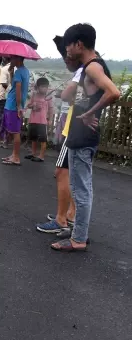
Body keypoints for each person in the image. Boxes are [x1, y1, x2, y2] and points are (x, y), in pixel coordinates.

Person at [51, 23, 120, 252]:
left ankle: (78, 239)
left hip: (83, 138)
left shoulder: (92, 67)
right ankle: (78, 231)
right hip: (80, 135)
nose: (67, 51)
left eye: (68, 46)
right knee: (79, 186)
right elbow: (87, 96)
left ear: (79, 44)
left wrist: (90, 113)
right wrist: (87, 108)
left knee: (81, 189)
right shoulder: (91, 65)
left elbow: (114, 92)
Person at [36, 52, 83, 236]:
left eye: (68, 58)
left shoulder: (82, 72)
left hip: (73, 131)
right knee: (71, 174)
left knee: (62, 173)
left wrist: (64, 93)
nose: (66, 62)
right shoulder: (89, 72)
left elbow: (66, 95)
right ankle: (70, 214)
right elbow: (74, 100)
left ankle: (61, 219)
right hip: (76, 128)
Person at [1, 55, 29, 165]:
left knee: (15, 132)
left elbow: (18, 90)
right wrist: (11, 71)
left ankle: (16, 157)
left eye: (12, 58)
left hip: (13, 106)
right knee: (13, 131)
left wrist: (18, 107)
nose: (10, 60)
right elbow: (15, 85)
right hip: (13, 105)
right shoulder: (24, 71)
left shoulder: (19, 72)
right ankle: (13, 155)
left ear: (18, 59)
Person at [25, 77, 53, 162]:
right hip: (33, 120)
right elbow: (28, 105)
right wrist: (33, 105)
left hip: (42, 122)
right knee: (33, 138)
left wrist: (50, 120)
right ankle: (33, 153)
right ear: (38, 87)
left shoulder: (48, 97)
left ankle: (41, 156)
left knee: (42, 140)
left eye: (46, 87)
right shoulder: (34, 95)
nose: (44, 88)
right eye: (42, 86)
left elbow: (51, 109)